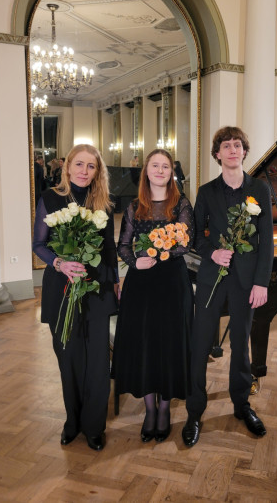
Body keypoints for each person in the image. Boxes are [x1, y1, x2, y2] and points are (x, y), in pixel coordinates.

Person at [182, 126, 274, 447]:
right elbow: (195, 237)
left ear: (244, 152)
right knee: (201, 341)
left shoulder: (260, 189)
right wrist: (213, 252)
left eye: (238, 145)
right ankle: (194, 411)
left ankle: (241, 405)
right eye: (226, 146)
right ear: (217, 154)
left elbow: (267, 242)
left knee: (241, 342)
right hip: (211, 277)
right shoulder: (206, 192)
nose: (233, 150)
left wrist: (261, 281)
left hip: (247, 281)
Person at [32, 144, 119, 451]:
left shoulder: (104, 202)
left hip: (96, 287)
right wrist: (59, 262)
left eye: (91, 166)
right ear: (67, 167)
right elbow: (39, 243)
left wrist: (116, 283)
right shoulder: (50, 198)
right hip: (61, 285)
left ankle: (94, 427)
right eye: (79, 164)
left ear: (98, 171)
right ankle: (73, 422)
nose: (84, 171)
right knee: (68, 357)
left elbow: (109, 248)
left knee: (96, 361)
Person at [112, 148, 194, 443]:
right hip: (142, 283)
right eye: (155, 166)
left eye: (165, 166)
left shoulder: (181, 204)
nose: (160, 170)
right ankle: (149, 410)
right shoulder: (135, 206)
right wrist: (135, 261)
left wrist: (165, 252)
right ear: (146, 171)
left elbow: (188, 241)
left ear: (172, 172)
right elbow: (122, 245)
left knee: (169, 343)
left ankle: (164, 409)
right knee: (144, 342)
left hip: (172, 282)